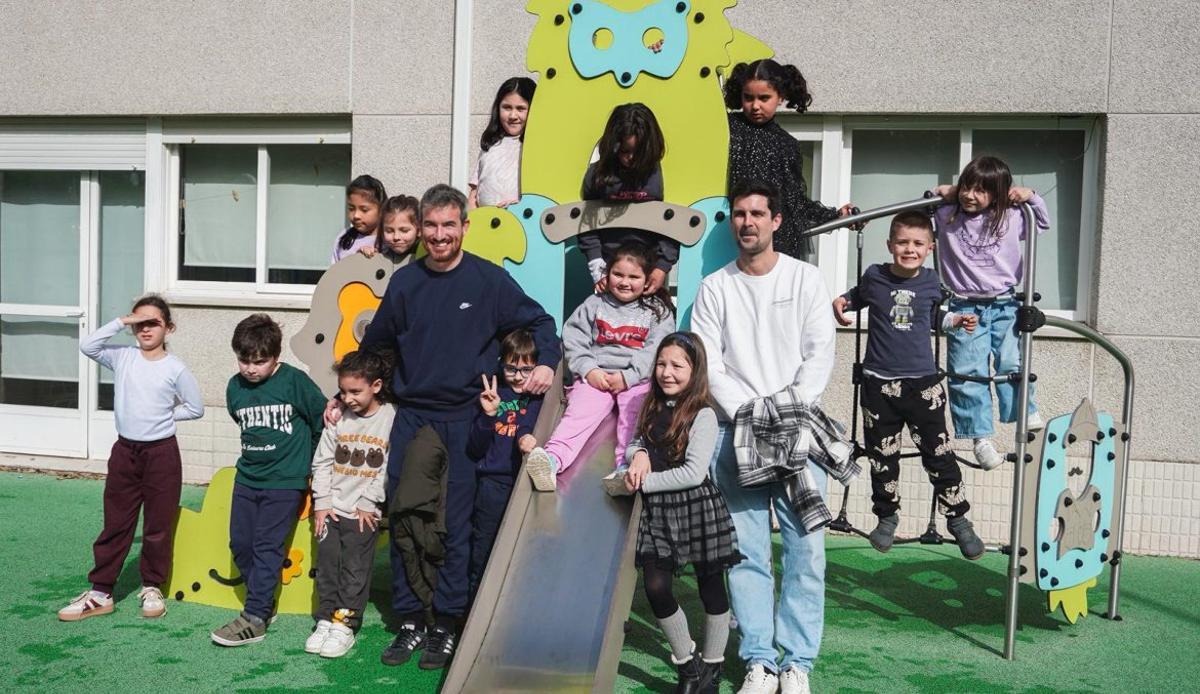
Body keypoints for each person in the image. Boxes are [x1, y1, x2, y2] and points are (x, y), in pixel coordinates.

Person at [347, 183, 560, 669]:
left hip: (467, 419)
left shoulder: (489, 281)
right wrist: (347, 395)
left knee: (454, 526)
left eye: (449, 225)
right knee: (404, 516)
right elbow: (377, 349)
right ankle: (409, 620)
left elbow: (541, 324)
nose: (440, 235)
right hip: (413, 417)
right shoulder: (405, 284)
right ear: (419, 230)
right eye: (431, 226)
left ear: (465, 226)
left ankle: (446, 622)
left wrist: (546, 361)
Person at [690, 180, 835, 694]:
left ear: (776, 221)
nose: (747, 222)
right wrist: (753, 414)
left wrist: (787, 412)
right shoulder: (714, 287)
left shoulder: (807, 279)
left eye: (757, 213)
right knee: (746, 553)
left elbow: (820, 354)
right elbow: (709, 363)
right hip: (737, 435)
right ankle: (759, 660)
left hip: (799, 434)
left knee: (806, 552)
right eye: (738, 214)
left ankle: (797, 664)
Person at [832, 211, 985, 559]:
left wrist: (956, 320)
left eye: (918, 243)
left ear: (929, 248)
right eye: (902, 242)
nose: (910, 249)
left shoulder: (932, 282)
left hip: (923, 387)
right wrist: (840, 303)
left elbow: (933, 315)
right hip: (878, 387)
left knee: (939, 454)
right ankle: (886, 516)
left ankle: (958, 518)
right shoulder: (874, 276)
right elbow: (854, 297)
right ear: (890, 245)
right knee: (882, 457)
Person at [58, 295, 203, 622]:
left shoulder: (175, 368)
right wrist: (120, 322)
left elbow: (195, 408)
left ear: (169, 327)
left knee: (157, 526)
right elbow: (88, 346)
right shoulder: (123, 357)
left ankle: (152, 586)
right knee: (116, 523)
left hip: (162, 455)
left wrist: (162, 418)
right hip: (125, 454)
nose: (145, 328)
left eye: (153, 322)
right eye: (139, 323)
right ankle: (100, 591)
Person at [616, 332, 740, 693]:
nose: (666, 372)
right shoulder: (650, 405)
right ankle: (689, 666)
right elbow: (637, 442)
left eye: (677, 365)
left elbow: (693, 472)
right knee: (655, 586)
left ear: (695, 370)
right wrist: (636, 454)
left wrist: (643, 482)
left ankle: (713, 670)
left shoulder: (703, 414)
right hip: (659, 514)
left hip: (696, 508)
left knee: (711, 588)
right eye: (661, 363)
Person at [210, 314, 327, 646]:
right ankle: (264, 600)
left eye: (259, 361)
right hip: (248, 478)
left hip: (286, 481)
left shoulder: (295, 382)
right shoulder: (235, 386)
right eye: (244, 360)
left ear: (276, 357)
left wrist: (310, 466)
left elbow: (321, 421)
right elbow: (241, 420)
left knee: (266, 546)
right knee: (241, 544)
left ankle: (256, 617)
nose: (250, 368)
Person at [524, 241, 675, 493]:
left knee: (634, 418)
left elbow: (656, 349)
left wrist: (628, 377)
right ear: (607, 275)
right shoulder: (595, 304)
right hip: (597, 378)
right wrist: (589, 370)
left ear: (647, 279)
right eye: (618, 274)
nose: (625, 282)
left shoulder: (657, 312)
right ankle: (552, 459)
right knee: (580, 413)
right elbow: (574, 336)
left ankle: (625, 469)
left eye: (634, 276)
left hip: (635, 380)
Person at [931, 155, 1050, 469]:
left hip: (1004, 304)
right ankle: (980, 439)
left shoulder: (1011, 216)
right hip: (964, 304)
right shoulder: (948, 215)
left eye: (981, 191)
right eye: (967, 187)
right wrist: (948, 191)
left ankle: (1024, 410)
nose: (971, 195)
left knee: (1011, 361)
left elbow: (1043, 221)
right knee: (969, 373)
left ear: (998, 194)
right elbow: (924, 205)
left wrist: (1032, 195)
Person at [305, 349, 395, 658]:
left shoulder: (390, 419)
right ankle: (326, 619)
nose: (348, 397)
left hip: (363, 512)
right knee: (328, 566)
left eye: (355, 391)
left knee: (355, 569)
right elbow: (322, 461)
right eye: (343, 391)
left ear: (377, 386)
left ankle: (345, 624)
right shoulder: (338, 416)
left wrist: (370, 501)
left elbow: (388, 466)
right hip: (331, 509)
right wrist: (322, 502)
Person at [724, 59, 855, 264]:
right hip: (726, 232)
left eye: (764, 98)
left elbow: (793, 199)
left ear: (781, 97)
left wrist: (835, 216)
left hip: (775, 241)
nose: (755, 106)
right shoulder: (725, 129)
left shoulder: (787, 145)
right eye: (748, 98)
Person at [466, 330, 544, 595]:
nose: (519, 376)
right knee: (484, 546)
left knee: (523, 550)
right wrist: (489, 415)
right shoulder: (494, 395)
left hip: (527, 484)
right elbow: (475, 447)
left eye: (526, 369)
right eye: (511, 368)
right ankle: (473, 606)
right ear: (501, 364)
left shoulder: (540, 399)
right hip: (493, 483)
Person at [578, 103, 677, 294]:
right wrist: (597, 266)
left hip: (650, 270)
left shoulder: (660, 176)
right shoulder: (598, 176)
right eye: (624, 151)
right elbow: (585, 220)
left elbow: (675, 221)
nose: (630, 158)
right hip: (609, 270)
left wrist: (662, 266)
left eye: (637, 152)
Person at [469, 77, 535, 209]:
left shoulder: (536, 146)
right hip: (486, 223)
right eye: (507, 107)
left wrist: (520, 206)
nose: (512, 116)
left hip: (520, 223)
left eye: (520, 109)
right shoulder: (490, 144)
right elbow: (473, 194)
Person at [331, 175, 387, 264]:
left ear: (381, 208)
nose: (356, 216)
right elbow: (334, 273)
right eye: (351, 208)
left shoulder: (389, 239)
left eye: (364, 210)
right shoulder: (343, 238)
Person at [359, 195, 420, 263]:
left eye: (404, 231)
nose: (396, 237)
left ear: (419, 230)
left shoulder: (428, 257)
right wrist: (366, 256)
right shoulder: (380, 253)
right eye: (389, 231)